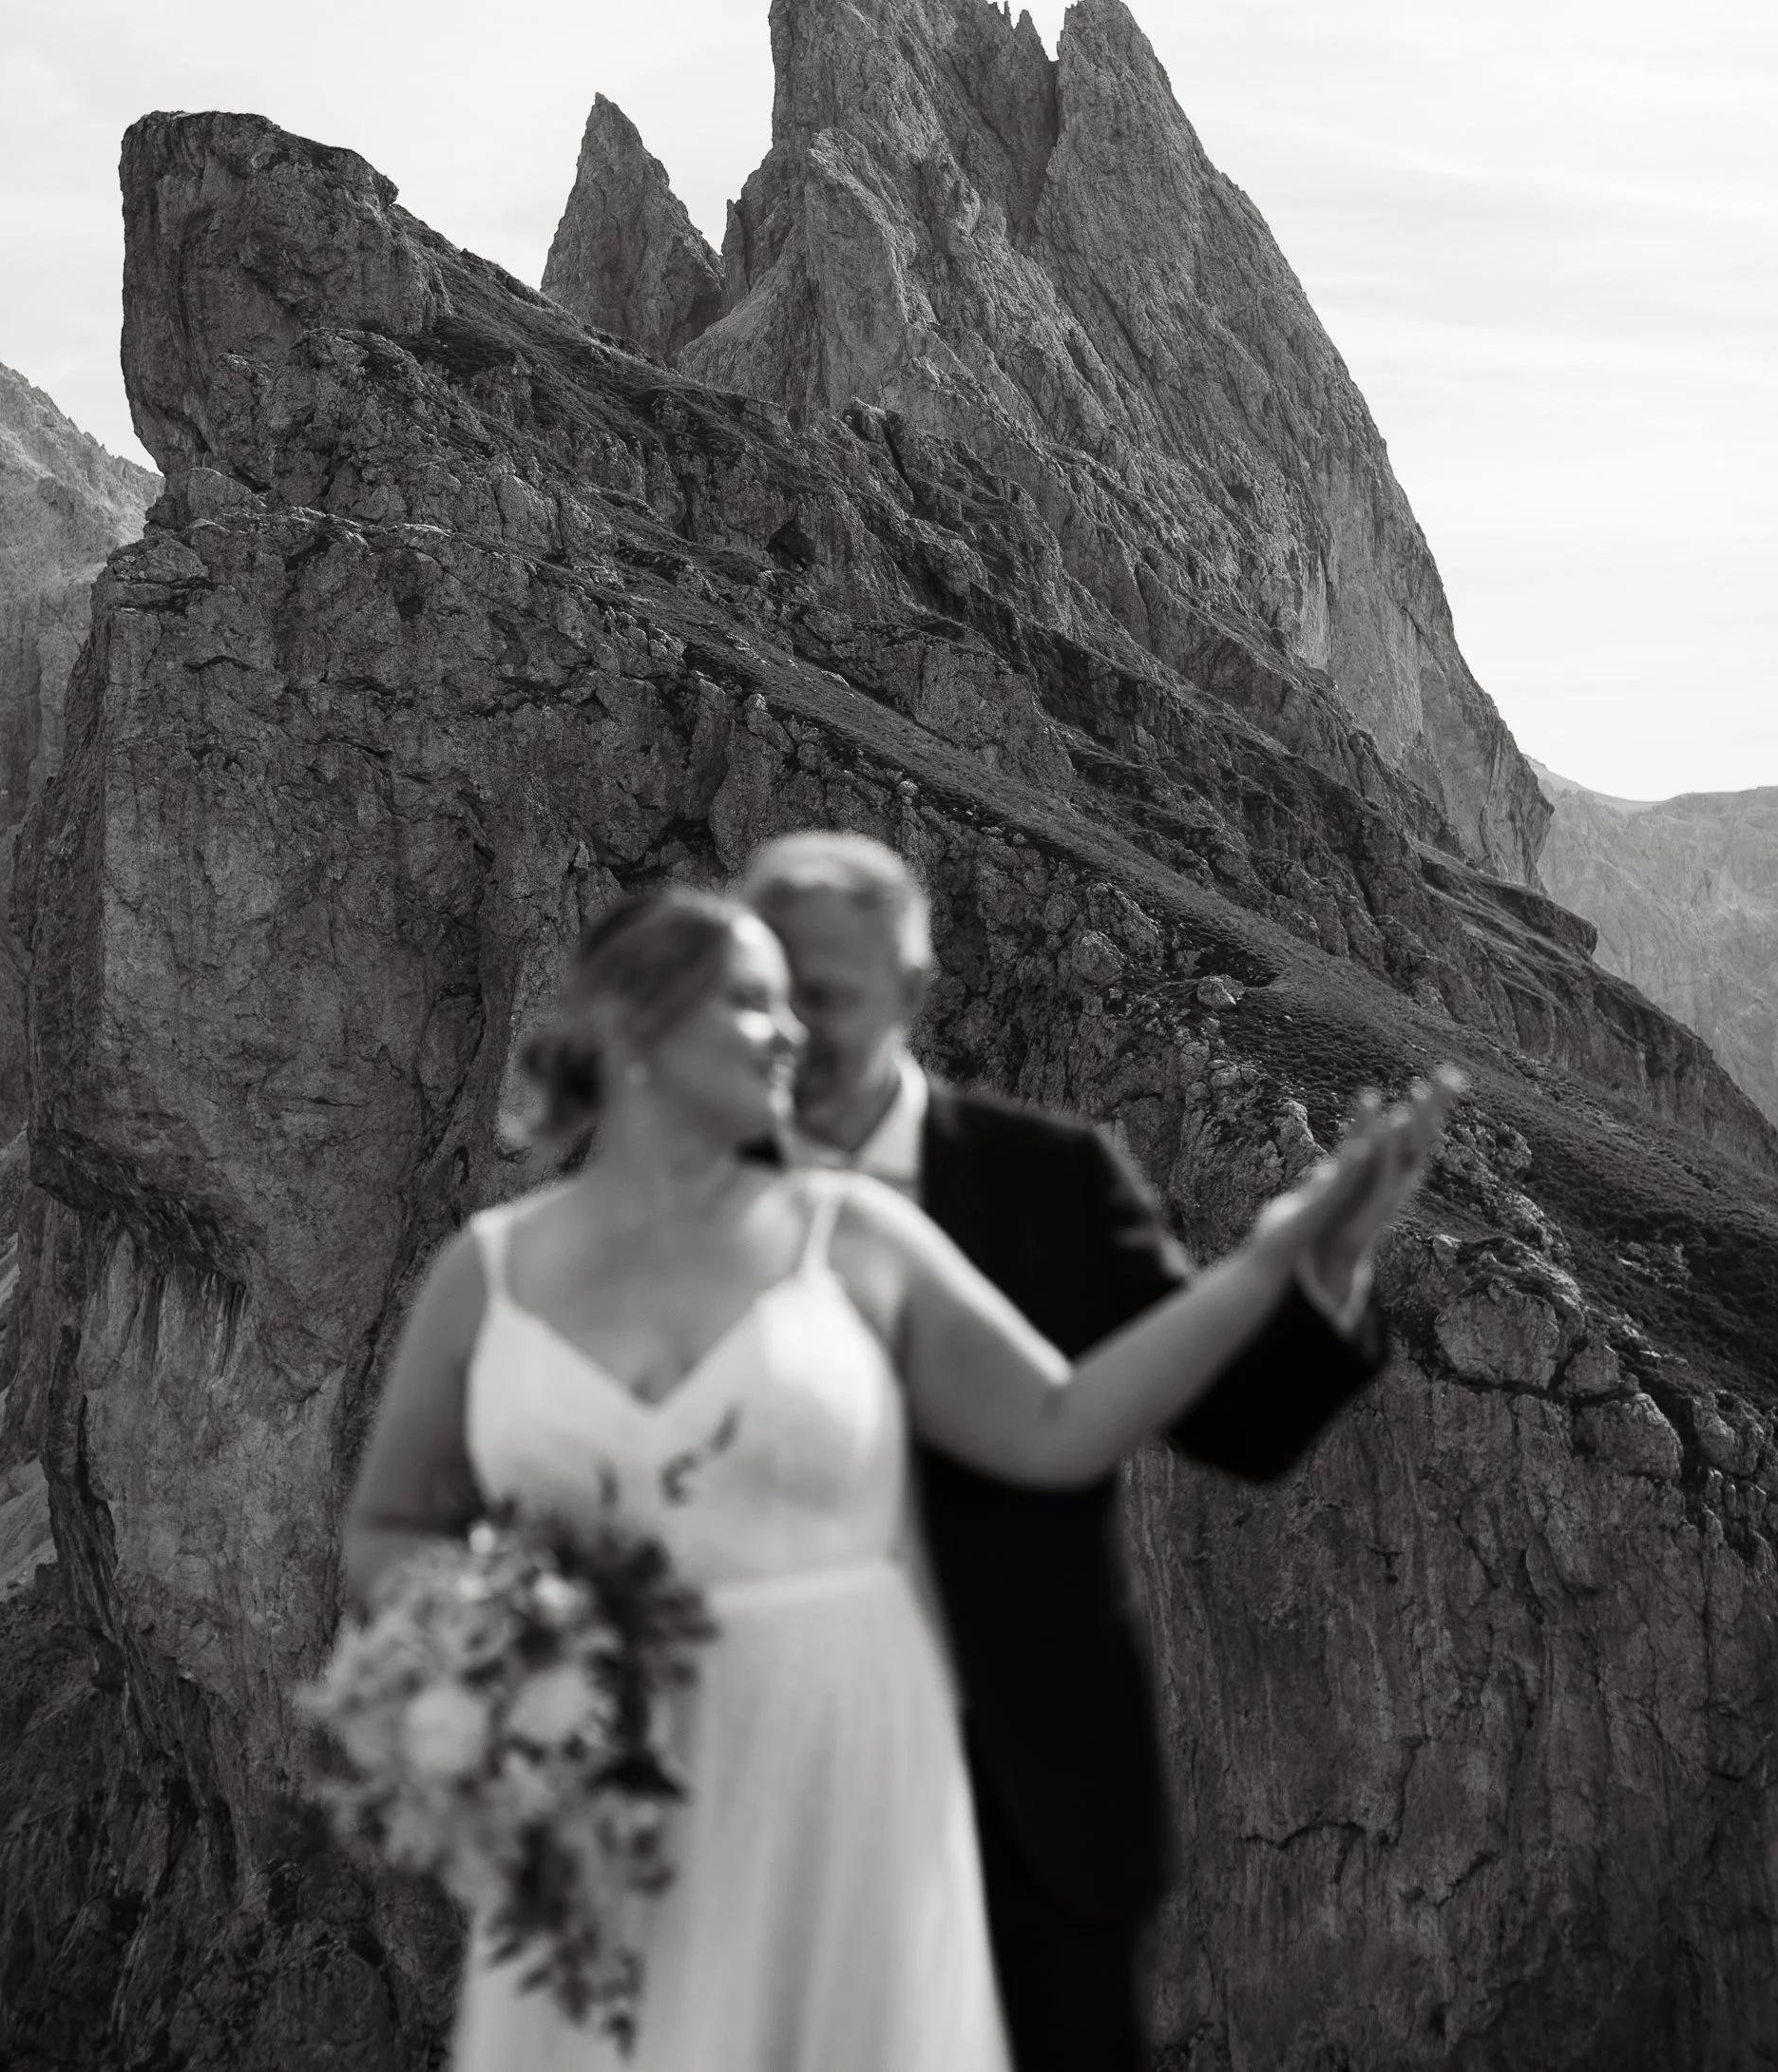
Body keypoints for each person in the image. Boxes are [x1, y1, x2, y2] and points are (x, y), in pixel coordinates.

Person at [345, 886, 1457, 2072]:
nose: (791, 1033)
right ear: (633, 1028)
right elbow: (388, 1524)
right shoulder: (485, 1273)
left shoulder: (854, 1235)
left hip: (842, 1773)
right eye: (751, 1002)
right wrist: (504, 1647)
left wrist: (1275, 1261)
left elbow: (1060, 1422)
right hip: (592, 1806)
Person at [740, 832, 1428, 2072]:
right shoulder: (680, 1208)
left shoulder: (1052, 1182)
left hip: (1032, 1841)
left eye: (823, 995)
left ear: (911, 991)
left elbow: (1235, 1424)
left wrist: (1323, 1269)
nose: (787, 1031)